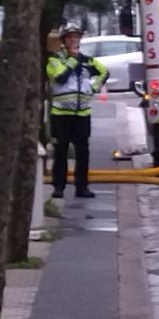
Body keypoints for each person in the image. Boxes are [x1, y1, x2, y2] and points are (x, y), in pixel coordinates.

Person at [47, 23, 109, 199]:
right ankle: (59, 187)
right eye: (69, 37)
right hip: (61, 114)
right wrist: (73, 60)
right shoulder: (55, 59)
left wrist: (93, 87)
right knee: (61, 152)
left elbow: (104, 72)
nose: (73, 40)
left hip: (82, 113)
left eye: (76, 37)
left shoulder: (88, 60)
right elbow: (60, 77)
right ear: (63, 41)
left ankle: (82, 187)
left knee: (83, 152)